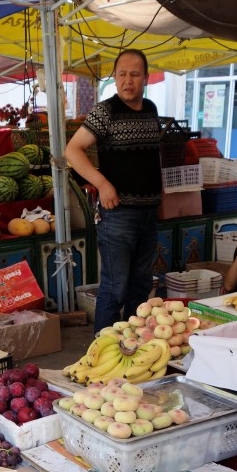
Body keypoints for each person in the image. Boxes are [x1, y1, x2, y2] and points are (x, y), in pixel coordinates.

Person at [64, 49, 162, 332]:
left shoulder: (151, 109)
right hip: (118, 216)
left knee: (140, 286)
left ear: (145, 77)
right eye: (122, 74)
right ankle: (99, 354)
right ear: (115, 77)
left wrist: (161, 195)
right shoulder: (105, 111)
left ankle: (132, 346)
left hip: (148, 214)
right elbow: (73, 149)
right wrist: (102, 183)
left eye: (134, 74)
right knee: (115, 286)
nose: (127, 81)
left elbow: (152, 157)